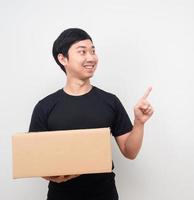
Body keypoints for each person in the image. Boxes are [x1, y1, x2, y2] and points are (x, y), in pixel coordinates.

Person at [29, 28, 154, 200]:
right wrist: (51, 176)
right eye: (82, 51)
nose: (91, 57)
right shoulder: (45, 107)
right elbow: (35, 160)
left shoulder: (110, 101)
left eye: (93, 51)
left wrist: (139, 122)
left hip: (104, 194)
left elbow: (129, 152)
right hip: (61, 195)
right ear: (62, 58)